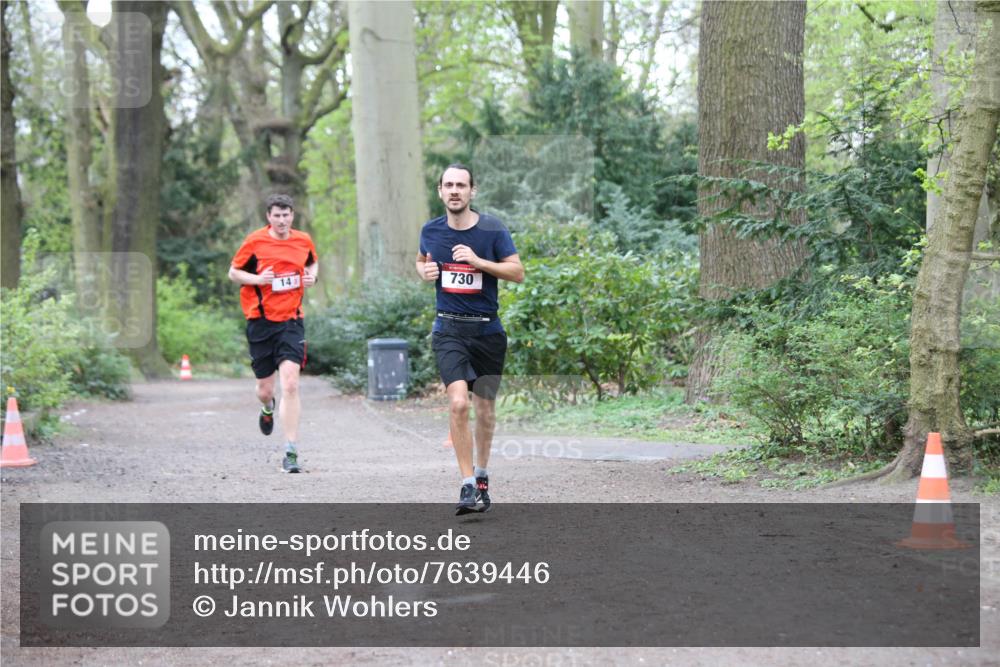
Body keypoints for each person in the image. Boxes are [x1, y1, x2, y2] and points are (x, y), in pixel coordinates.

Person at [416, 164, 525, 514]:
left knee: (485, 409)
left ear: (472, 191)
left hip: (487, 331)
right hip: (448, 329)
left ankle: (481, 475)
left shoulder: (492, 229)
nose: (454, 191)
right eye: (448, 185)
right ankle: (466, 485)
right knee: (459, 403)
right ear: (440, 191)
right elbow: (421, 260)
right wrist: (424, 271)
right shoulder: (430, 230)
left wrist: (479, 261)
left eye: (461, 185)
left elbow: (517, 272)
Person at [229, 193, 318, 473]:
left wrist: (312, 276)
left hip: (291, 321)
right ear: (269, 217)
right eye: (276, 215)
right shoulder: (255, 242)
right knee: (265, 389)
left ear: (292, 215)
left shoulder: (303, 240)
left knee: (290, 384)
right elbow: (233, 272)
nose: (282, 220)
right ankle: (267, 407)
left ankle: (290, 451)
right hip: (261, 321)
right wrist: (259, 279)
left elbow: (312, 262)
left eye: (286, 215)